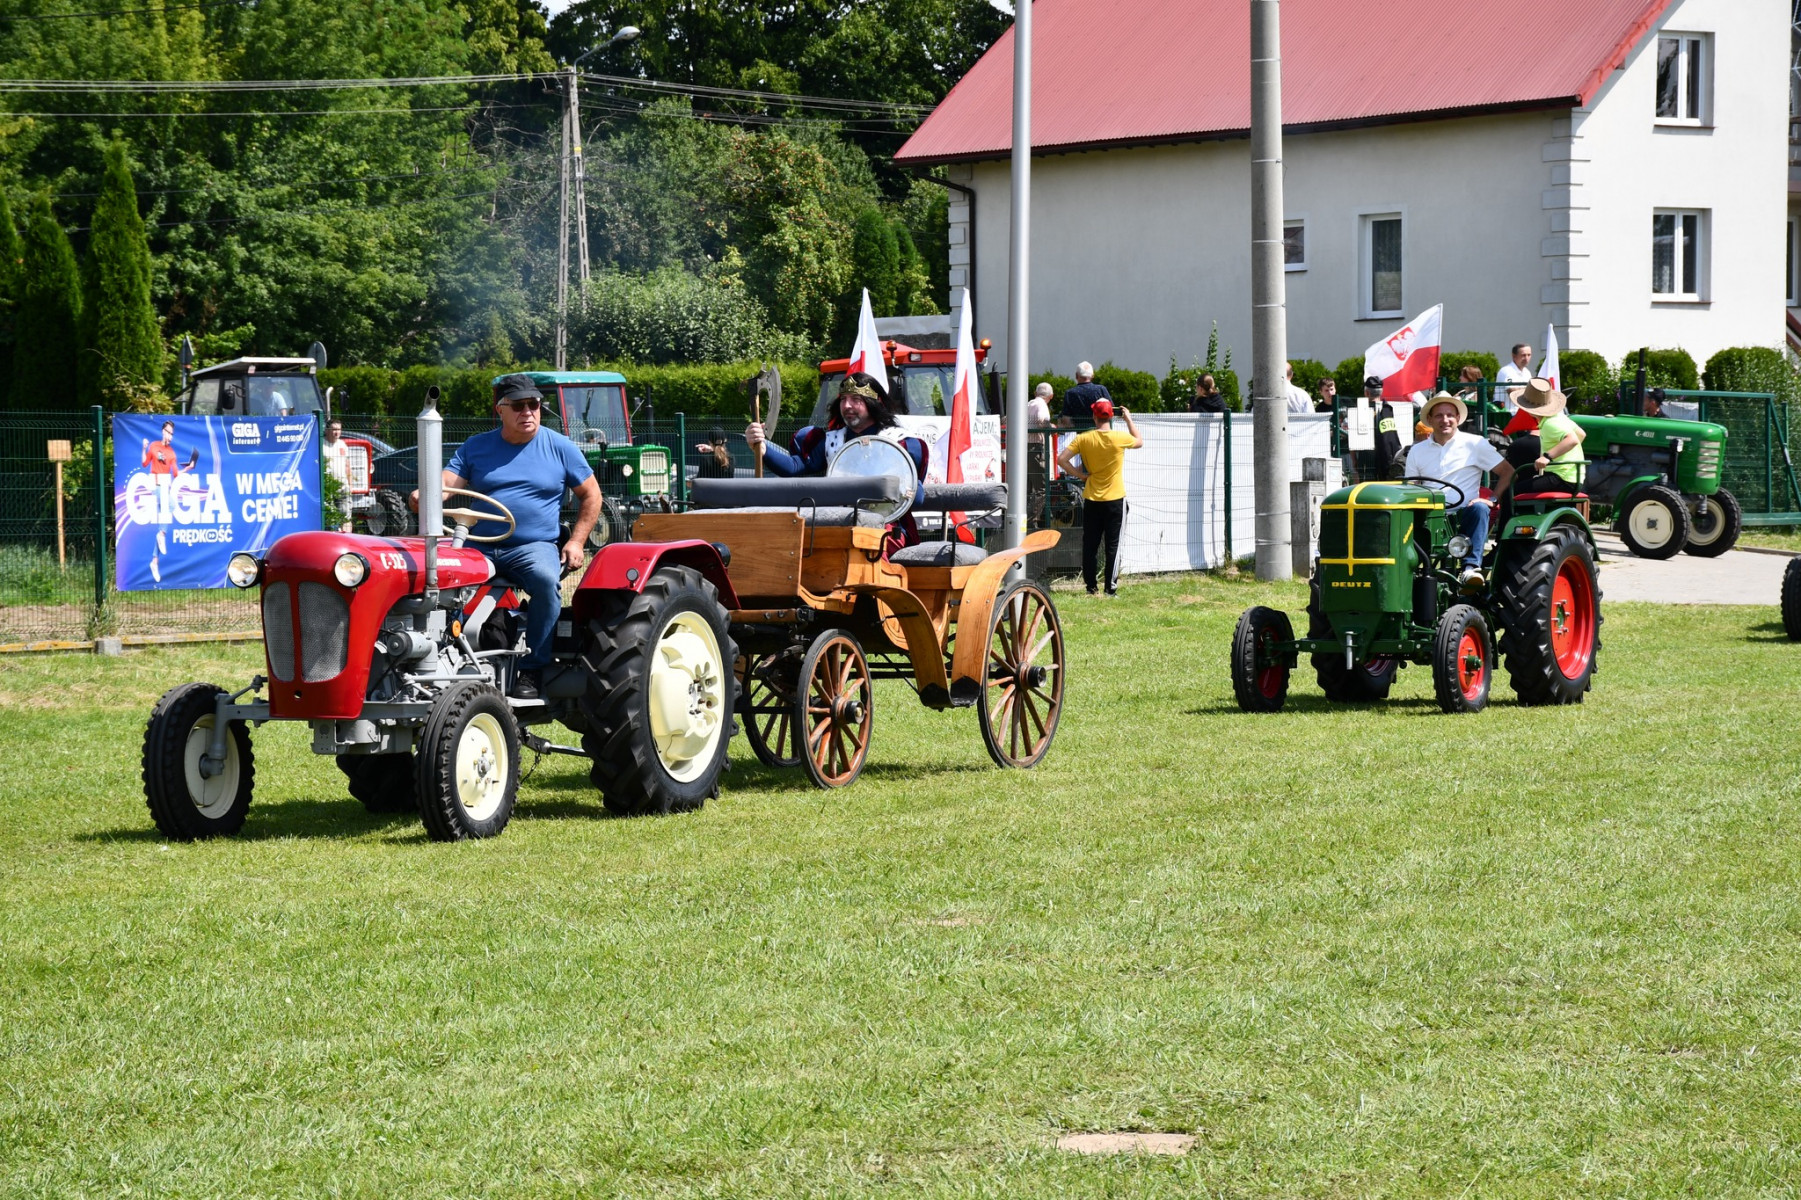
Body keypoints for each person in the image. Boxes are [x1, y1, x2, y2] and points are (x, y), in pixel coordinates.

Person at [426, 374, 602, 700]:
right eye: (519, 406)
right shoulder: (476, 446)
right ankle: (440, 658)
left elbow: (592, 495)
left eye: (534, 404)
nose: (528, 412)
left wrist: (576, 541)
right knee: (436, 578)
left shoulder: (560, 447)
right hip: (480, 545)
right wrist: (427, 492)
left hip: (532, 546)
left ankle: (533, 669)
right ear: (501, 410)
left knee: (546, 583)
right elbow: (447, 483)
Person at [745, 372, 930, 557]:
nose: (847, 405)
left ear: (873, 403)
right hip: (840, 525)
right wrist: (762, 447)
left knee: (868, 550)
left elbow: (916, 495)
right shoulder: (832, 440)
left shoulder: (898, 442)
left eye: (856, 399)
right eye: (843, 399)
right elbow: (794, 467)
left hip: (886, 526)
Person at [1403, 392, 1516, 586]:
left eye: (1449, 415)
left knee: (1480, 508)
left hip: (1463, 514)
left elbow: (1509, 473)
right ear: (1430, 419)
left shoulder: (1475, 443)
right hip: (1428, 515)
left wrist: (1492, 499)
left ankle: (1470, 569)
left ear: (1457, 418)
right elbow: (1411, 487)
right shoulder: (1417, 450)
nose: (1445, 420)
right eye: (1439, 415)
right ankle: (1404, 572)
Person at [1057, 399, 1142, 597]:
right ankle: (1110, 590)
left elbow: (1062, 460)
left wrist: (1081, 476)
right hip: (1115, 499)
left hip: (1092, 498)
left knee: (1090, 545)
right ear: (1110, 416)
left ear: (1094, 416)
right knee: (1113, 546)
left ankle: (1091, 588)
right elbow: (1139, 441)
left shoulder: (1084, 438)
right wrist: (1129, 419)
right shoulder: (1119, 438)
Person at [1509, 378, 1586, 497]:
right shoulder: (1560, 417)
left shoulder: (1549, 423)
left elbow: (1572, 440)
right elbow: (1581, 434)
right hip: (1575, 478)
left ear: (1529, 410)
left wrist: (1547, 457)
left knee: (1511, 491)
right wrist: (1565, 453)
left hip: (1561, 478)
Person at [1348, 376, 1403, 482]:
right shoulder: (1389, 409)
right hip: (1387, 457)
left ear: (1367, 393)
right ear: (1381, 392)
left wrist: (1354, 461)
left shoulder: (1359, 411)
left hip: (1366, 457)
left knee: (1367, 487)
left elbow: (1353, 440)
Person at [321, 418, 353, 532]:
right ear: (327, 430)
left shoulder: (342, 445)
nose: (337, 432)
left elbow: (347, 466)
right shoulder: (321, 445)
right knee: (330, 519)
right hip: (327, 488)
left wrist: (350, 485)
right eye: (334, 429)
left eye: (339, 429)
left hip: (343, 486)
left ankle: (348, 539)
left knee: (346, 516)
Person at [1058, 361, 1112, 427]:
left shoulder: (1069, 393)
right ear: (1093, 376)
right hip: (1098, 429)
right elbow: (1111, 409)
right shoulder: (1101, 389)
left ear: (1076, 376)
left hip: (1079, 431)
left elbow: (1066, 417)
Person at [1495, 343, 1533, 414]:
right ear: (1514, 356)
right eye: (1523, 355)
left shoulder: (1527, 372)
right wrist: (1530, 390)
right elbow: (1513, 392)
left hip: (1523, 413)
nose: (1526, 358)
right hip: (1507, 414)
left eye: (1529, 355)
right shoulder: (1507, 371)